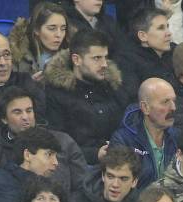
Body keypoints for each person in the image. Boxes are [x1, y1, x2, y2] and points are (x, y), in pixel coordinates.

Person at [44, 29, 127, 159]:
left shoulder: (113, 86)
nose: (104, 64)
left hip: (119, 158)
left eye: (105, 57)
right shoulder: (56, 94)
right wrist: (94, 154)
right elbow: (57, 144)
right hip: (80, 164)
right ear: (76, 60)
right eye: (96, 58)